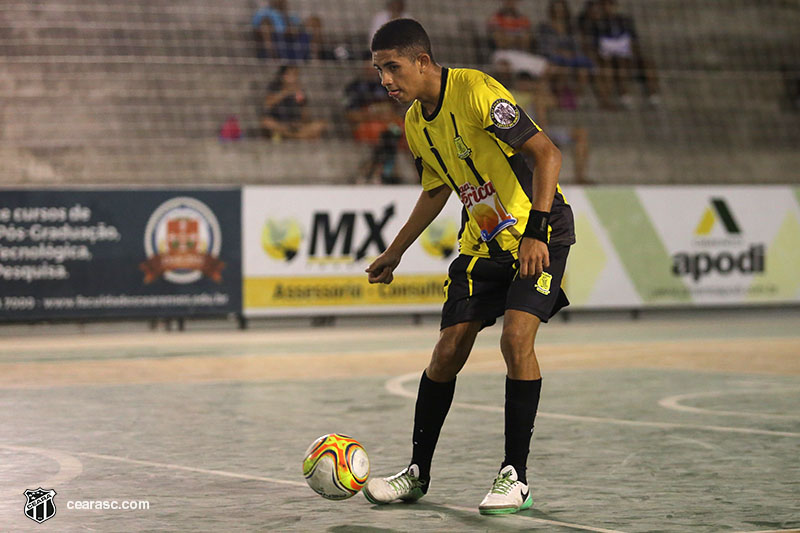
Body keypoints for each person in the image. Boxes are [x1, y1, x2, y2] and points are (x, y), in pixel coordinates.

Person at [364, 19, 575, 514]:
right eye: (378, 71)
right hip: (482, 242)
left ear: (422, 61)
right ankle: (416, 473)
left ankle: (514, 477)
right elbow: (436, 189)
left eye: (392, 68)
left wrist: (535, 231)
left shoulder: (477, 90)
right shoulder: (416, 123)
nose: (385, 81)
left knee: (515, 339)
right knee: (446, 351)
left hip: (538, 233)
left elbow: (547, 155)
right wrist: (395, 251)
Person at [514, 71, 591, 185]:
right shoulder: (511, 94)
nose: (525, 85)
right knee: (538, 102)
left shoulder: (537, 95)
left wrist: (539, 90)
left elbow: (555, 102)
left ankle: (580, 176)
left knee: (581, 133)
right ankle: (543, 135)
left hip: (545, 128)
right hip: (526, 130)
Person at [579, 0, 660, 109]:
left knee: (648, 64)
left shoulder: (625, 21)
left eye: (610, 4)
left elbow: (634, 41)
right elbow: (594, 44)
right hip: (608, 58)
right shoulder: (597, 24)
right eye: (604, 5)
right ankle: (624, 96)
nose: (607, 8)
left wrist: (633, 52)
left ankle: (653, 97)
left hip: (626, 55)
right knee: (617, 65)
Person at [344, 57, 405, 184]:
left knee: (398, 131)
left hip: (390, 124)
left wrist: (385, 113)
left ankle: (377, 172)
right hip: (368, 126)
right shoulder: (354, 87)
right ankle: (382, 172)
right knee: (388, 134)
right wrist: (372, 113)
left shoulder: (388, 85)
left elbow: (396, 110)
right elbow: (350, 114)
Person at [537, 0, 593, 105]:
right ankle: (559, 98)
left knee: (583, 71)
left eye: (561, 9)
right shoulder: (544, 27)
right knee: (560, 69)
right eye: (556, 9)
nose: (559, 12)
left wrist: (570, 53)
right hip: (553, 58)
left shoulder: (571, 28)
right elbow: (543, 47)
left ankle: (579, 97)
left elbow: (577, 45)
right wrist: (559, 53)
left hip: (572, 58)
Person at [260, 64, 327, 140]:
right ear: (282, 76)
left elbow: (306, 116)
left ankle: (292, 137)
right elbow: (268, 104)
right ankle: (299, 137)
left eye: (295, 75)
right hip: (280, 124)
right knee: (267, 123)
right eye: (290, 74)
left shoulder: (299, 92)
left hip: (295, 126)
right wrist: (286, 92)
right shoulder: (274, 87)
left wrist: (300, 121)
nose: (293, 78)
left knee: (321, 124)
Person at [487, 0, 549, 80]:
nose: (510, 2)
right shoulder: (495, 18)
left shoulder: (523, 19)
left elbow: (526, 43)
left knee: (546, 67)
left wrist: (508, 38)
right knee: (504, 66)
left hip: (520, 53)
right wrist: (517, 39)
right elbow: (500, 43)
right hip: (501, 53)